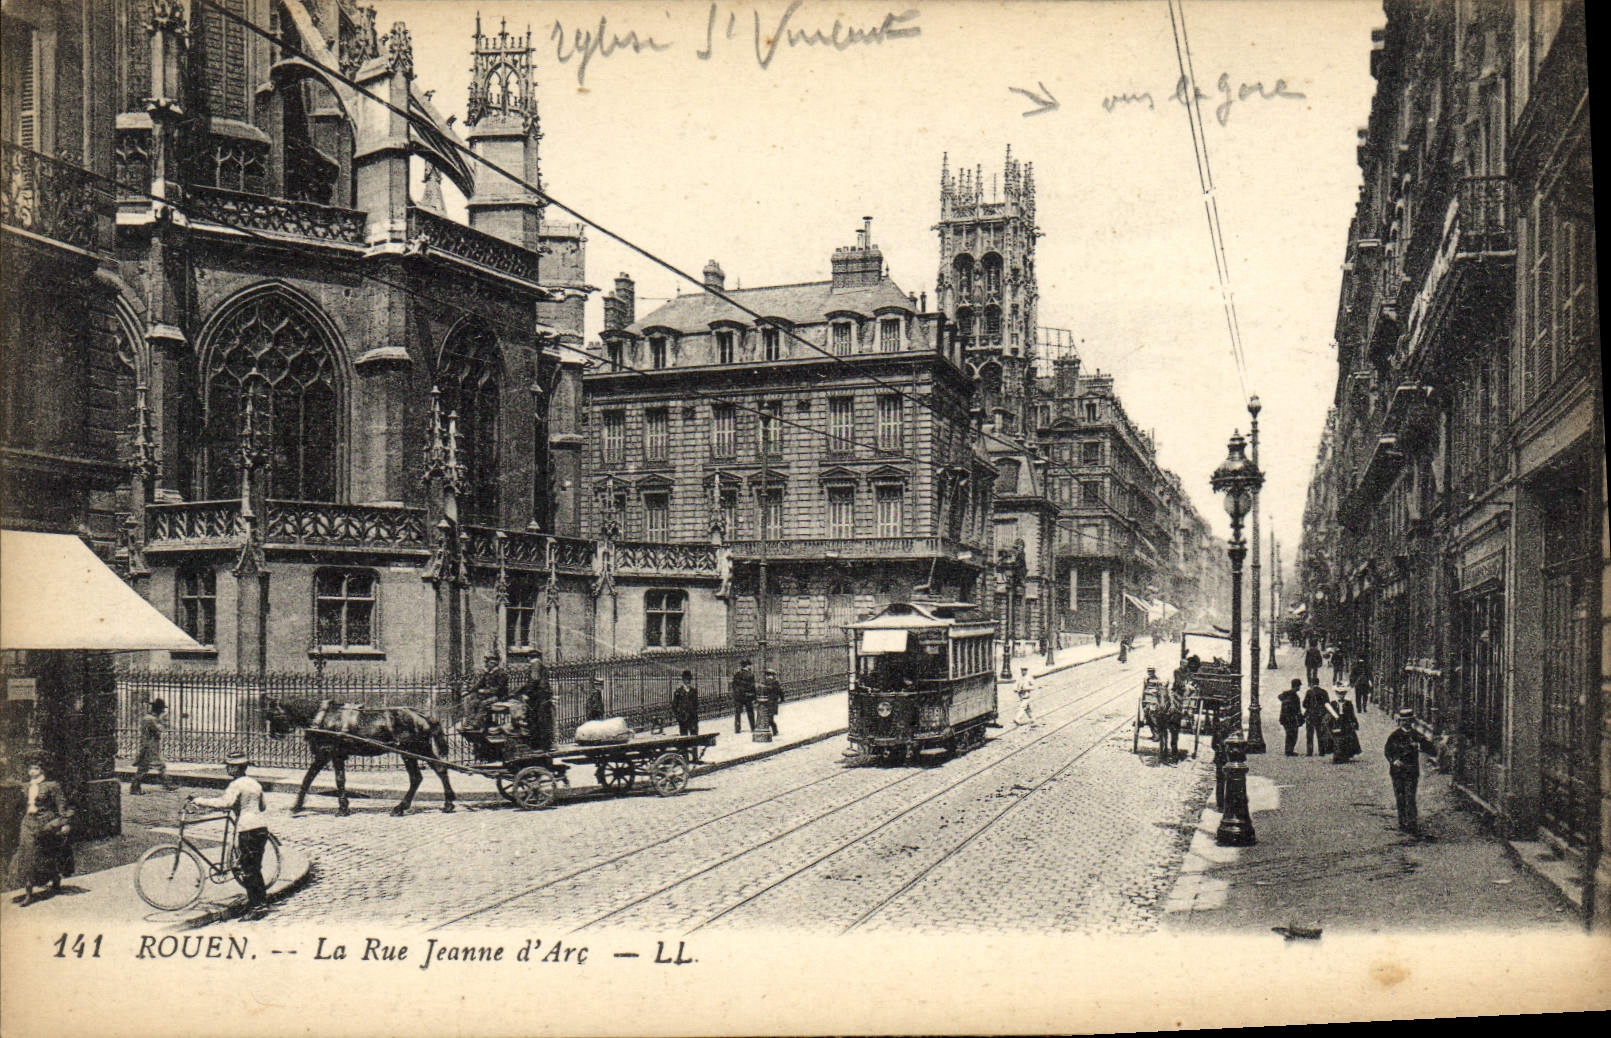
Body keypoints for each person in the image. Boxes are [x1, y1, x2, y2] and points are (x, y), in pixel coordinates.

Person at [190, 749, 271, 916]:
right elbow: (262, 807)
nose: (227, 769)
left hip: (247, 828)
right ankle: (257, 903)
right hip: (261, 827)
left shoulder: (236, 784)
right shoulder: (255, 784)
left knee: (249, 870)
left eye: (229, 766)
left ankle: (258, 906)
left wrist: (200, 801)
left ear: (235, 768)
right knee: (254, 867)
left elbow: (225, 803)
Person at [8, 752, 73, 906]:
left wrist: (64, 823)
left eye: (36, 768)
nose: (32, 772)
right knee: (27, 855)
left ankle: (55, 879)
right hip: (28, 823)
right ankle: (29, 892)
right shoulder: (26, 786)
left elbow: (62, 807)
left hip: (46, 825)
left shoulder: (52, 786)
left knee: (46, 853)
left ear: (43, 770)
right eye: (30, 769)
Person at [1385, 708, 1438, 834]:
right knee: (1400, 796)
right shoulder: (1394, 735)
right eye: (1403, 720)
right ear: (1400, 721)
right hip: (1397, 771)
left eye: (1408, 720)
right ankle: (1402, 821)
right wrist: (1394, 760)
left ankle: (1411, 822)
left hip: (1411, 771)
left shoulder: (1417, 735)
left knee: (1410, 796)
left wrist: (1420, 746)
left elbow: (1432, 750)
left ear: (1412, 721)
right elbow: (1388, 751)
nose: (1405, 723)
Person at [130, 698, 176, 795]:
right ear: (158, 710)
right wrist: (162, 720)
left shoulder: (150, 718)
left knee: (153, 766)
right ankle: (135, 788)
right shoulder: (150, 719)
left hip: (150, 746)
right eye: (162, 710)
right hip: (149, 747)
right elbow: (161, 729)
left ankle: (168, 784)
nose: (162, 711)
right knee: (148, 767)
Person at [462, 651, 508, 731]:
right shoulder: (487, 673)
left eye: (491, 663)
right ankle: (469, 723)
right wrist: (468, 691)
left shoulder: (501, 673)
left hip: (499, 696)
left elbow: (500, 688)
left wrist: (486, 691)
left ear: (496, 663)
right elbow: (479, 684)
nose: (488, 665)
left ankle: (475, 725)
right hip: (487, 695)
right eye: (488, 662)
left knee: (483, 704)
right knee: (473, 702)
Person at [517, 651, 554, 749]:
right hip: (542, 696)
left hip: (539, 696)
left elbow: (534, 680)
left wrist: (526, 693)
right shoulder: (540, 664)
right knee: (541, 720)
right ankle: (543, 745)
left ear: (529, 658)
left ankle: (539, 745)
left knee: (538, 720)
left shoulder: (535, 664)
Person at [1329, 688, 1361, 762]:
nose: (1341, 696)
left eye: (1342, 694)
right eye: (1339, 694)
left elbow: (1352, 714)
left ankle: (1346, 755)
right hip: (1336, 722)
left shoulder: (1348, 703)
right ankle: (1337, 755)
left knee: (1347, 738)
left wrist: (1354, 722)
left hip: (1346, 722)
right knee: (1337, 738)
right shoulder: (1333, 703)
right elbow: (1330, 714)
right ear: (1336, 694)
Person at [1302, 682, 1333, 756]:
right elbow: (1327, 704)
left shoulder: (1309, 692)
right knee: (1320, 734)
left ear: (1312, 683)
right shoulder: (1324, 692)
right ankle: (1321, 751)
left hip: (1310, 715)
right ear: (1318, 683)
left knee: (1309, 735)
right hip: (1320, 716)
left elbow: (1304, 704)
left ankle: (1309, 752)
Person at [1278, 678, 1304, 756]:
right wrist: (1300, 718)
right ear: (1296, 686)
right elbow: (1297, 710)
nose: (1299, 688)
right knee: (1292, 735)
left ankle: (1289, 750)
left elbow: (1280, 697)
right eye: (1299, 686)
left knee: (1290, 734)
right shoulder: (1294, 696)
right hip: (1291, 719)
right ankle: (1289, 751)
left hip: (1285, 718)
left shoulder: (1287, 694)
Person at [731, 659, 757, 734]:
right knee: (750, 712)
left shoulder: (737, 674)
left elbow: (734, 685)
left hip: (739, 696)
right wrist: (754, 696)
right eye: (750, 665)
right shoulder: (750, 675)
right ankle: (753, 727)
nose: (751, 667)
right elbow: (752, 687)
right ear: (748, 665)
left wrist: (736, 694)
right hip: (747, 696)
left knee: (737, 713)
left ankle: (737, 728)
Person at [671, 670, 699, 737]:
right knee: (684, 737)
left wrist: (694, 713)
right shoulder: (678, 692)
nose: (688, 681)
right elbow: (674, 706)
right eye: (686, 679)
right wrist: (679, 717)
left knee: (694, 737)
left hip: (692, 719)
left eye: (689, 679)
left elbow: (696, 704)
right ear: (683, 680)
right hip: (683, 719)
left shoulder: (693, 691)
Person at [759, 667, 784, 735]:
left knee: (770, 718)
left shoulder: (775, 682)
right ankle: (771, 731)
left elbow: (779, 691)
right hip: (766, 702)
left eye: (770, 675)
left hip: (772, 703)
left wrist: (782, 699)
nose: (768, 677)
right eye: (768, 675)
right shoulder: (765, 682)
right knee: (767, 718)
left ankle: (774, 731)